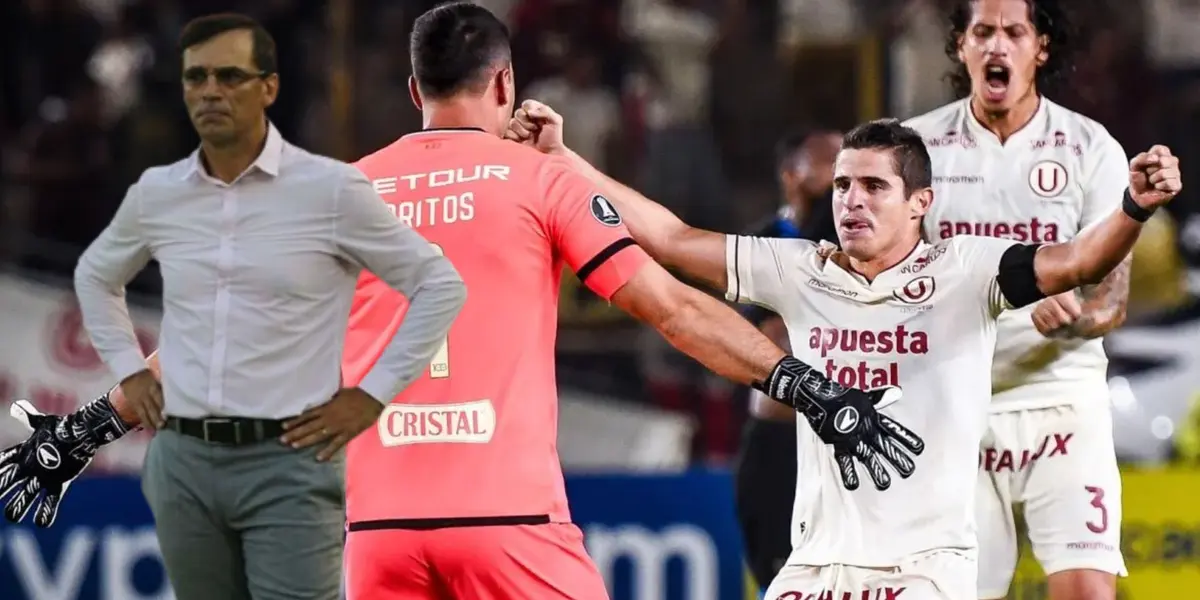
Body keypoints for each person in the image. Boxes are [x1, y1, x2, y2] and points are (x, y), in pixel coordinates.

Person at [3, 4, 923, 600]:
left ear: (412, 93)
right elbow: (673, 310)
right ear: (507, 85)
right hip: (510, 530)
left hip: (374, 539)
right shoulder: (542, 182)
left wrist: (75, 436)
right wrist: (813, 390)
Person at [507, 102, 1181, 597]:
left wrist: (1132, 206)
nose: (851, 201)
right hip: (817, 566)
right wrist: (564, 162)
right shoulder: (802, 271)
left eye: (873, 187)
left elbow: (1077, 261)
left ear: (921, 203)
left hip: (924, 571)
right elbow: (675, 240)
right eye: (842, 186)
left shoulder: (969, 271)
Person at [3, 13, 468, 600]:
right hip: (468, 505)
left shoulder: (336, 202)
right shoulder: (526, 180)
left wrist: (82, 433)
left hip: (375, 510)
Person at [904, 1, 1130, 597]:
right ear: (961, 46)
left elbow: (1111, 301)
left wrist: (1076, 323)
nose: (997, 46)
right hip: (955, 412)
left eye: (1014, 32)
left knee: (1087, 590)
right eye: (983, 32)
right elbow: (889, 286)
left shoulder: (1090, 148)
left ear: (1041, 47)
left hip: (1063, 404)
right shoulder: (914, 150)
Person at [735, 129, 842, 592]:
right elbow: (766, 343)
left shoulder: (857, 236)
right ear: (791, 174)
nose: (844, 176)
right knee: (780, 576)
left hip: (837, 441)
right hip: (780, 444)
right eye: (830, 163)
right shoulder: (767, 241)